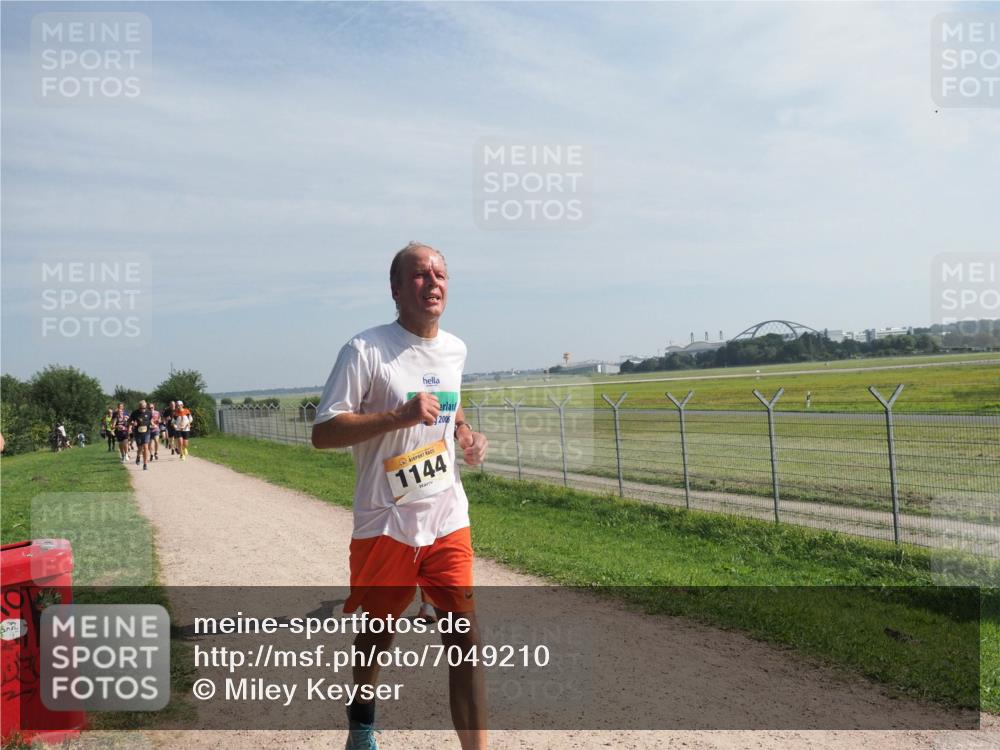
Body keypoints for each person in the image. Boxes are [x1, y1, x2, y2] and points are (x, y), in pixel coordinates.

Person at [312, 242, 489, 750]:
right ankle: (363, 719)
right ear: (396, 290)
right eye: (418, 275)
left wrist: (467, 436)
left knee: (465, 640)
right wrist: (399, 416)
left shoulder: (455, 349)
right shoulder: (365, 350)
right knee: (377, 633)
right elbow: (323, 432)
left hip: (446, 515)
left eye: (441, 273)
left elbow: (451, 408)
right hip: (385, 522)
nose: (433, 281)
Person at [130, 400, 154, 470]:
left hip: (147, 432)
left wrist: (153, 424)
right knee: (140, 448)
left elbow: (150, 420)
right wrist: (132, 423)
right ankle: (138, 456)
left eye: (144, 408)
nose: (142, 410)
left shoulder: (149, 413)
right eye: (141, 408)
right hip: (138, 433)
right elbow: (129, 421)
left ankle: (145, 464)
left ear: (146, 407)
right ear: (138, 407)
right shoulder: (135, 413)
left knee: (146, 447)